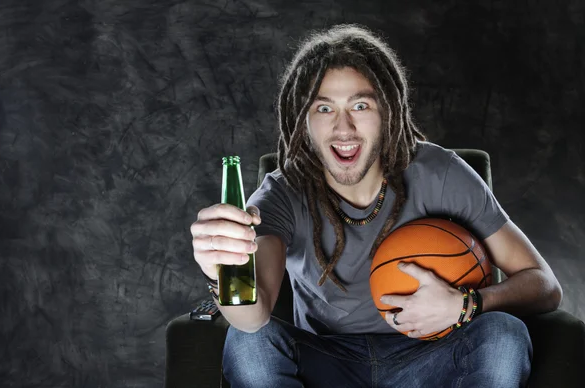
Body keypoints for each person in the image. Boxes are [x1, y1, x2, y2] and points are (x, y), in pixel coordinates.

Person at [190, 24, 562, 388]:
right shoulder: (282, 194)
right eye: (324, 109)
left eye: (361, 105)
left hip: (430, 356)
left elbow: (544, 286)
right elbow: (253, 321)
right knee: (247, 343)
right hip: (326, 361)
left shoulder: (441, 173)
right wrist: (219, 272)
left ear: (387, 113)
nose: (344, 127)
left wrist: (465, 305)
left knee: (503, 333)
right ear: (303, 122)